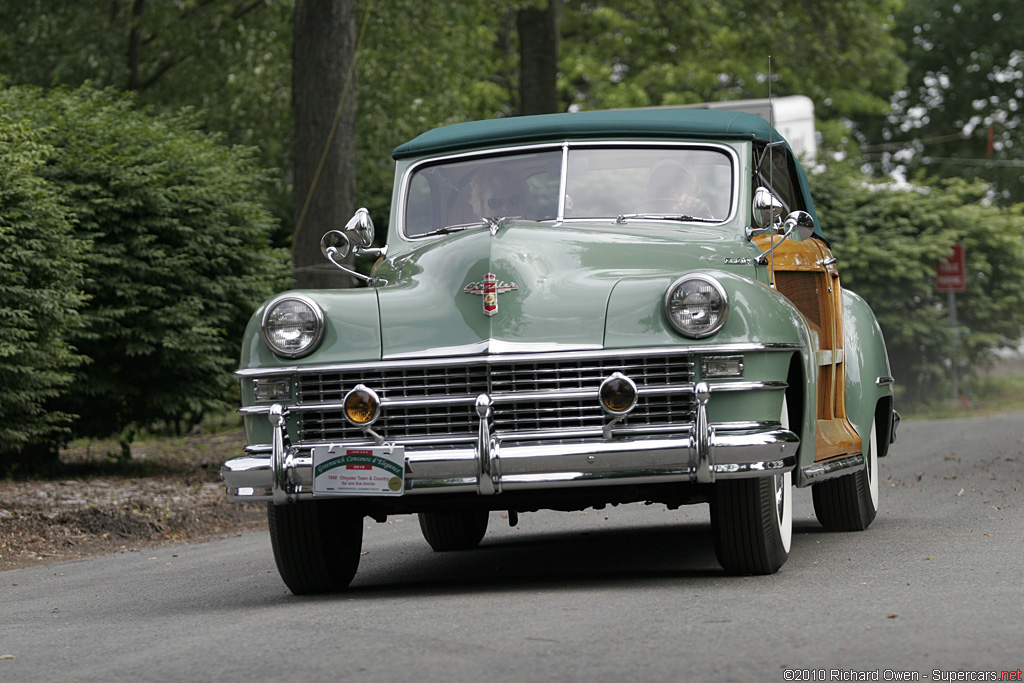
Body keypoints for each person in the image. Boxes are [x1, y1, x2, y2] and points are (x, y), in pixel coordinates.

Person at [646, 159, 713, 218]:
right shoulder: (639, 223)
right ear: (650, 191)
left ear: (695, 189)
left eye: (679, 180)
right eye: (661, 182)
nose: (672, 190)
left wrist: (705, 216)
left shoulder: (708, 225)